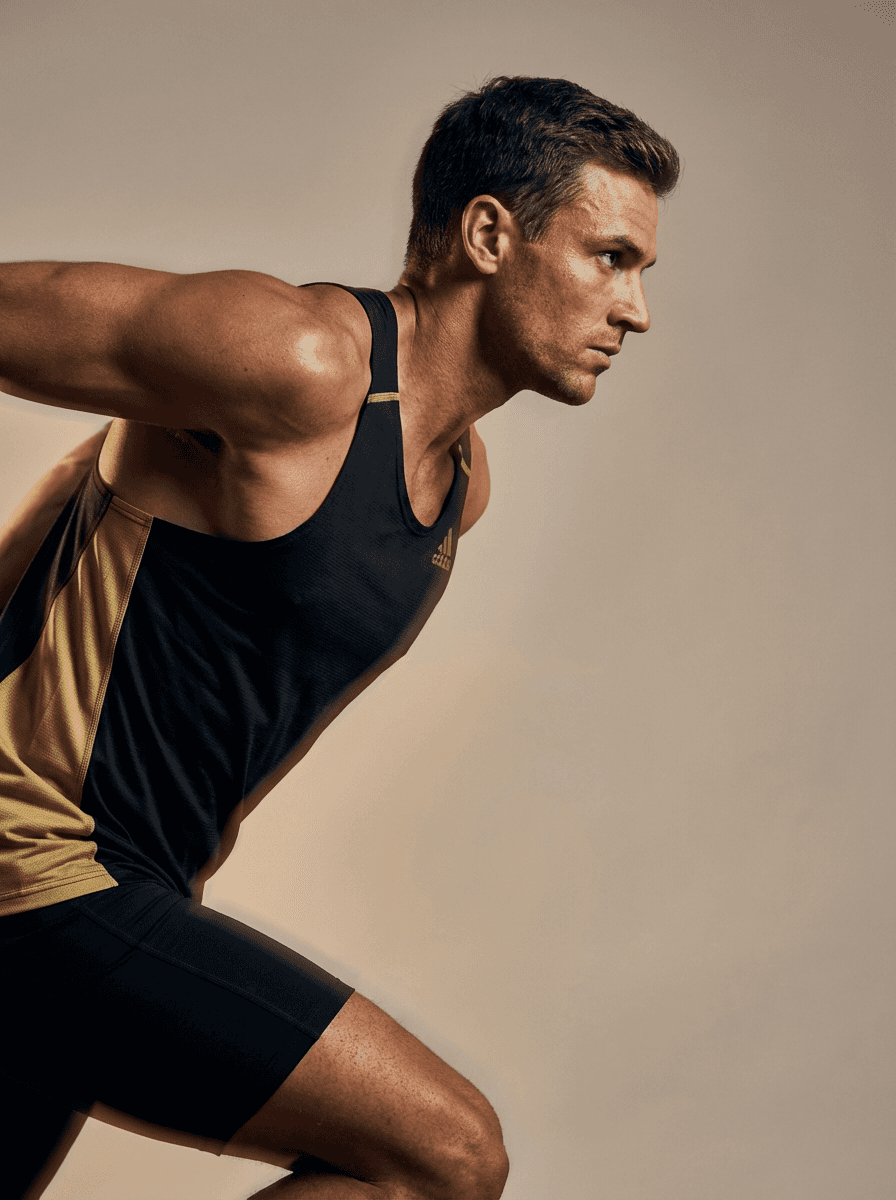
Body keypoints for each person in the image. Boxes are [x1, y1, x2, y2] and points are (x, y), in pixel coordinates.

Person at [0, 75, 678, 1199]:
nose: (635, 309)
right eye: (610, 257)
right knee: (447, 1155)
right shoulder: (298, 358)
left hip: (127, 892)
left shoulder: (457, 489)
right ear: (489, 235)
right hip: (38, 870)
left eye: (641, 270)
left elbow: (92, 487)